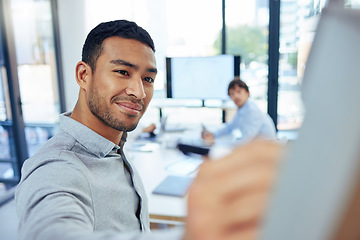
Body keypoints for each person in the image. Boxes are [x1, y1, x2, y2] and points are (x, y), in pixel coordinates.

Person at [15, 19, 283, 240]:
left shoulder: (114, 146)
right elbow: (50, 230)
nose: (139, 92)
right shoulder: (55, 168)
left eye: (148, 79)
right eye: (122, 72)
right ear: (84, 75)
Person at [202, 77, 277, 145]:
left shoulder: (252, 111)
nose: (236, 96)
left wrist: (215, 142)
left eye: (239, 92)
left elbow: (245, 142)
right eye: (232, 94)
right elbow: (230, 127)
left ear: (247, 93)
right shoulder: (242, 109)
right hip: (258, 150)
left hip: (267, 153)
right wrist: (213, 134)